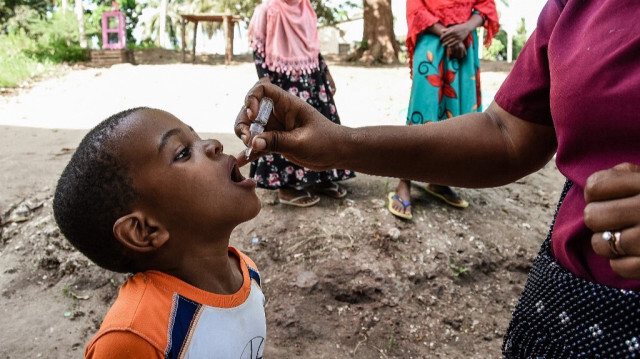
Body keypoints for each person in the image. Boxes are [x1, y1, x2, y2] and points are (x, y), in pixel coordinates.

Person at [235, 0, 640, 356]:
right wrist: (340, 143)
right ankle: (407, 182)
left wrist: (466, 28)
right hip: (568, 312)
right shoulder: (577, 7)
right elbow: (507, 134)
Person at [53, 107, 266, 358]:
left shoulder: (246, 272)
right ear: (144, 230)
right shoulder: (135, 337)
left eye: (196, 136)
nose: (213, 145)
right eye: (183, 153)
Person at [390, 0, 500, 219]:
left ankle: (440, 180)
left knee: (458, 113)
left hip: (465, 43)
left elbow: (485, 4)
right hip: (432, 39)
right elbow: (416, 8)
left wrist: (465, 28)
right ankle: (404, 180)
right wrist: (448, 34)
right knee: (423, 110)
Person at [247, 0, 355, 207]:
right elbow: (258, 49)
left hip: (312, 78)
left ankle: (321, 178)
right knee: (286, 129)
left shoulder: (306, 8)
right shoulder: (267, 9)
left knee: (321, 125)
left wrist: (325, 71)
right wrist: (264, 81)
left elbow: (313, 47)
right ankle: (286, 187)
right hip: (282, 81)